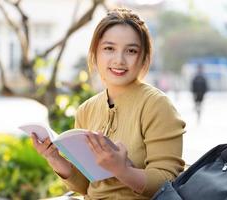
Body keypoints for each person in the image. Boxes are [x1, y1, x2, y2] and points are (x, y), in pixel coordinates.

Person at [31, 8, 186, 199]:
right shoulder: (86, 110)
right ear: (95, 53)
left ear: (144, 57)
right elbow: (86, 186)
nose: (119, 60)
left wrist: (122, 170)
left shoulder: (156, 105)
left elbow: (168, 182)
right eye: (109, 48)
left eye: (131, 51)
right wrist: (53, 157)